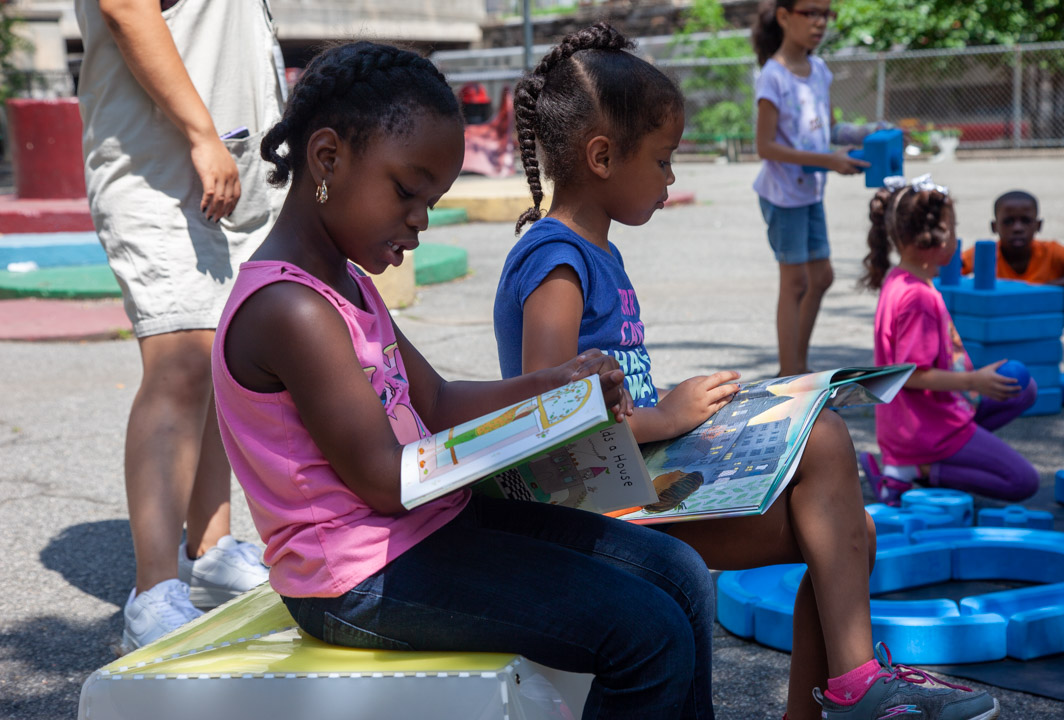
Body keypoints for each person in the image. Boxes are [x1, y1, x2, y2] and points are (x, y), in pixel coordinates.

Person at [495, 21, 999, 720]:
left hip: (632, 487)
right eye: (665, 159)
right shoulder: (557, 259)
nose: (672, 178)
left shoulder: (592, 250)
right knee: (826, 464)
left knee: (849, 526)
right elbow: (548, 413)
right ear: (603, 156)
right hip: (587, 510)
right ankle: (853, 686)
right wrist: (667, 417)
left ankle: (838, 694)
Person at [210, 39, 720, 720]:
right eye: (407, 191)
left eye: (434, 198)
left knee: (679, 574)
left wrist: (560, 389)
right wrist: (516, 436)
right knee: (645, 632)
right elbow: (384, 481)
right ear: (328, 158)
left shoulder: (349, 284)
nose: (421, 219)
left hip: (427, 531)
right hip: (357, 578)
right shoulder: (290, 308)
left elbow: (441, 400)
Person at [75, 0, 285, 650]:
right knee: (183, 360)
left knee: (221, 359)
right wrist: (200, 132)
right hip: (161, 162)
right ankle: (153, 591)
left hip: (232, 159)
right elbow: (124, 5)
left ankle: (213, 549)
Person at [858, 177, 1040, 508]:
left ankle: (911, 464)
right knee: (1023, 481)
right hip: (923, 427)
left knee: (1022, 389)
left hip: (921, 417)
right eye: (953, 229)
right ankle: (912, 470)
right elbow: (910, 375)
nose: (957, 238)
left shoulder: (900, 279)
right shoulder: (917, 298)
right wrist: (975, 381)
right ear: (935, 238)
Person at [751, 0, 886, 377]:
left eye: (825, 14)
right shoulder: (773, 76)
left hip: (809, 192)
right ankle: (790, 373)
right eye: (810, 12)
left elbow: (829, 130)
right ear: (783, 16)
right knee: (795, 282)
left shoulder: (819, 70)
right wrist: (830, 161)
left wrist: (869, 132)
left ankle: (796, 367)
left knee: (821, 277)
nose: (820, 22)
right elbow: (765, 147)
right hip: (782, 195)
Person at [960, 190, 1064, 324]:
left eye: (1026, 221)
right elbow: (948, 273)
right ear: (994, 227)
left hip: (1041, 320)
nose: (1017, 228)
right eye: (1008, 222)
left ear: (1038, 225)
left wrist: (1045, 287)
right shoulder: (985, 253)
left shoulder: (1051, 251)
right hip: (999, 321)